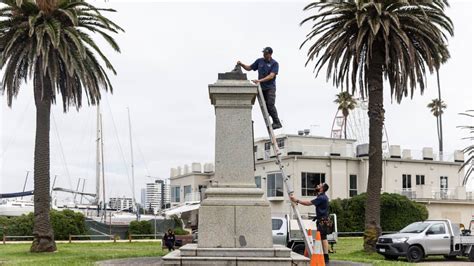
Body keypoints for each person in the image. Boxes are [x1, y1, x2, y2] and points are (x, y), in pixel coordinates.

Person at [237, 47, 282, 129]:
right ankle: (270, 118)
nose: (264, 55)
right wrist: (242, 64)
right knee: (265, 106)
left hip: (270, 88)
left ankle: (277, 122)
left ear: (270, 54)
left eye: (265, 53)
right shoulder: (259, 61)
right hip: (262, 88)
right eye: (263, 53)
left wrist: (259, 80)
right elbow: (249, 68)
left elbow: (271, 76)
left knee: (270, 105)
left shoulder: (274, 63)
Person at [290, 183, 331, 263]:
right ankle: (324, 256)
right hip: (322, 220)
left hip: (323, 220)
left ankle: (326, 257)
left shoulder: (322, 198)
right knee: (322, 237)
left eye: (319, 185)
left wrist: (297, 200)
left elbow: (308, 203)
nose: (317, 186)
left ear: (322, 189)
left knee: (323, 237)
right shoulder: (321, 197)